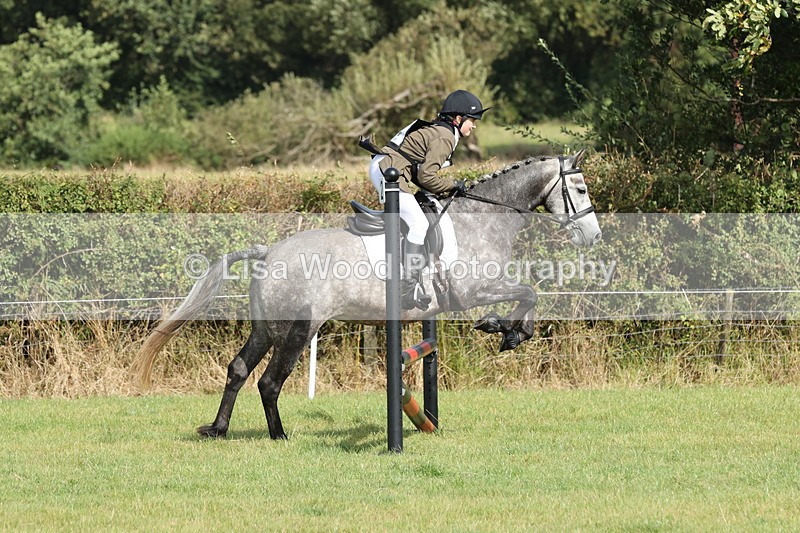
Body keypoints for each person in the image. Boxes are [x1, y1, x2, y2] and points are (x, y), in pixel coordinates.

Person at [368, 89, 491, 310]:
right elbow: (426, 176)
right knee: (419, 223)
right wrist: (453, 185)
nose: (474, 126)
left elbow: (421, 174)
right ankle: (407, 287)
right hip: (388, 170)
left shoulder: (442, 131)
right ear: (458, 119)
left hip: (392, 168)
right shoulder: (445, 137)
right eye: (472, 120)